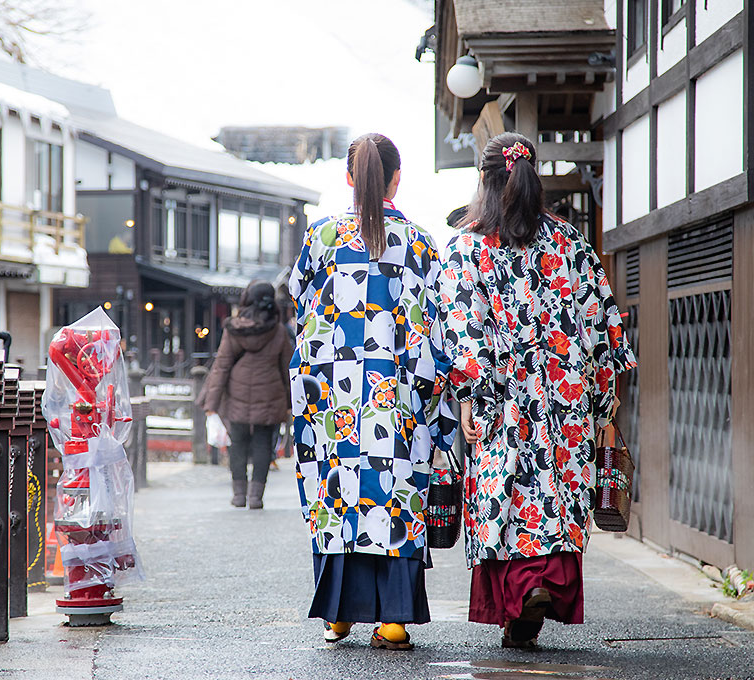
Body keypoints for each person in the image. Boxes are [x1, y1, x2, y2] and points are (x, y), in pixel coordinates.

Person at [436, 132, 637, 648]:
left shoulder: (468, 246)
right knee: (554, 497)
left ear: (484, 179)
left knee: (508, 501)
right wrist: (599, 398)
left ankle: (521, 598)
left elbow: (463, 333)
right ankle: (539, 593)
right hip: (562, 404)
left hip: (502, 406)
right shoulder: (570, 243)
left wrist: (469, 399)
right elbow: (603, 325)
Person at [288, 133, 456, 650]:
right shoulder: (421, 243)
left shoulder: (321, 237)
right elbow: (438, 325)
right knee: (397, 496)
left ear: (348, 178)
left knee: (337, 496)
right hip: (398, 397)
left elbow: (299, 302)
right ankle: (394, 618)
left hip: (333, 400)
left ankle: (338, 614)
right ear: (397, 179)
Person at [200, 280, 292, 509]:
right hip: (270, 394)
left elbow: (221, 366)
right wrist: (291, 403)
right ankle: (255, 497)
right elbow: (288, 369)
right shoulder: (279, 331)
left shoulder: (234, 329)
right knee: (263, 444)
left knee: (237, 443)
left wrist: (211, 403)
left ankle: (238, 495)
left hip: (237, 393)